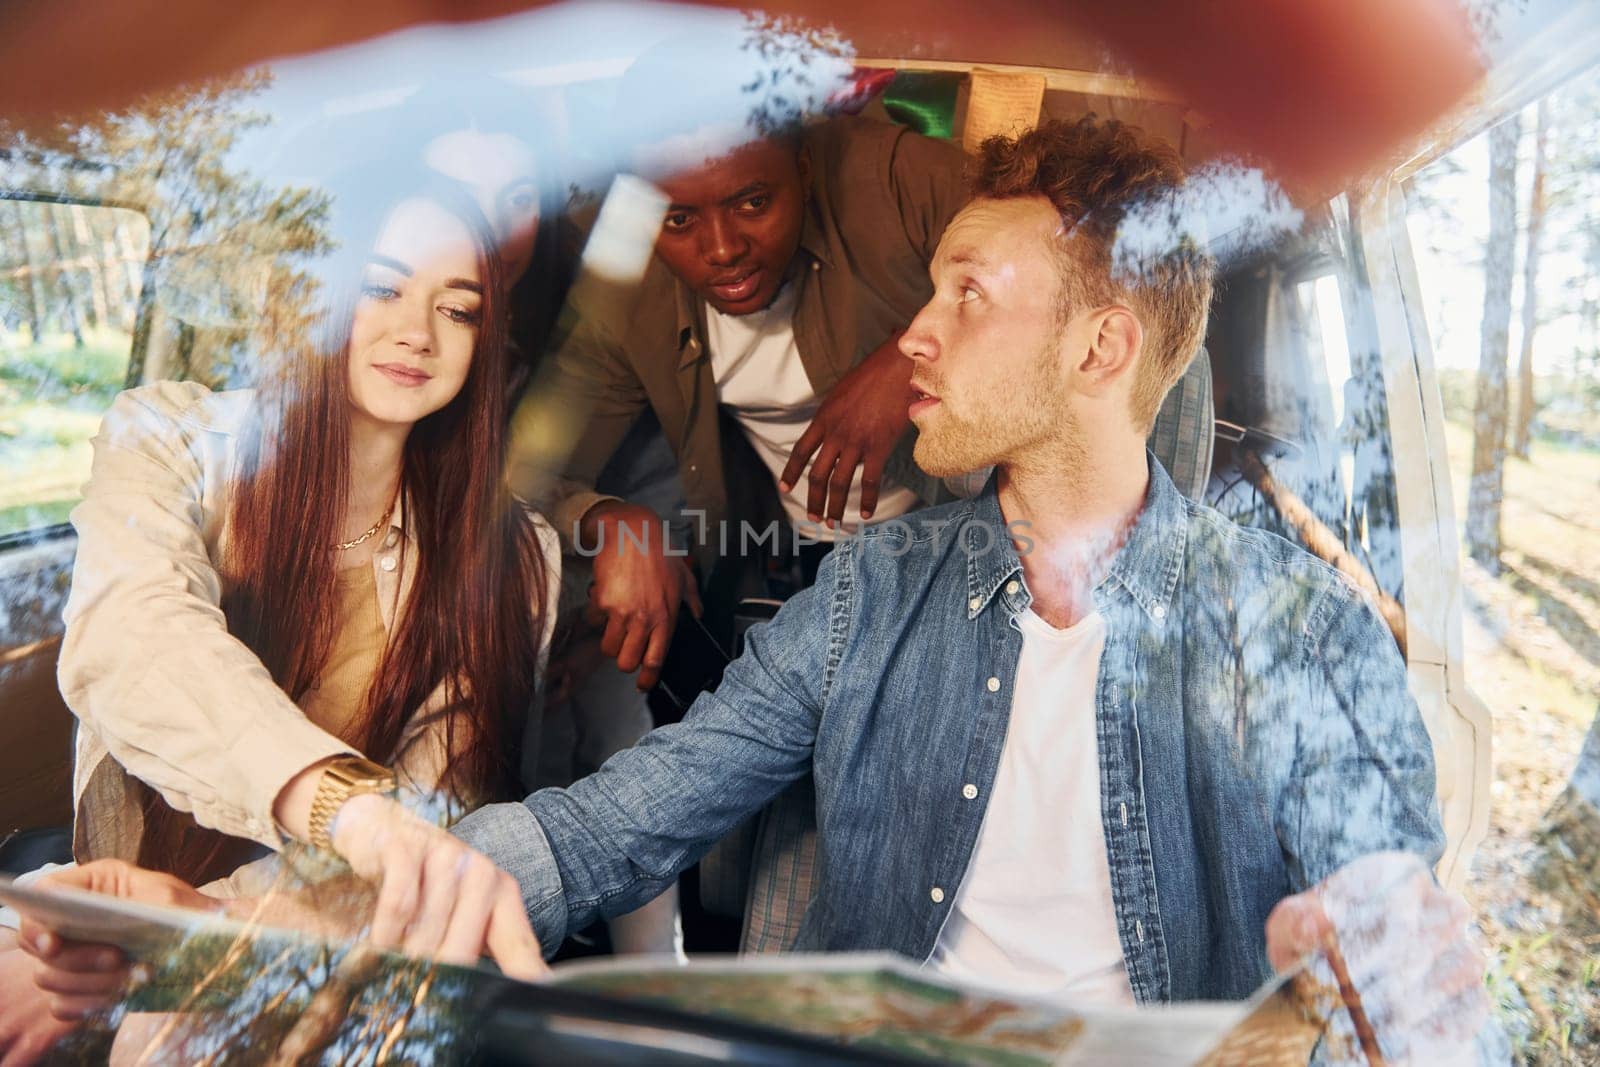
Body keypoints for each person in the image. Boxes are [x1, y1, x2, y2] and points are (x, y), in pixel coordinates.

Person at [18, 117, 1490, 1061]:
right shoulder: (875, 594)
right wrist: (248, 924)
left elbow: (1397, 932)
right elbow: (603, 823)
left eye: (963, 291)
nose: (912, 329)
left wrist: (1367, 952)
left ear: (1104, 350)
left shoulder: (1297, 625)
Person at [2, 172, 552, 1057]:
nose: (416, 331)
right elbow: (139, 633)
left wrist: (200, 931)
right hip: (113, 892)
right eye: (380, 287)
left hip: (302, 931)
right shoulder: (165, 440)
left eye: (457, 309)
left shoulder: (509, 554)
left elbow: (431, 816)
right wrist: (346, 808)